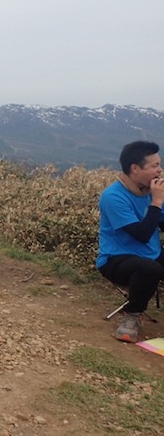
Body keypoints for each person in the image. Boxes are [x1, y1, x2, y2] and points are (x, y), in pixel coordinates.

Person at [97, 140, 164, 343]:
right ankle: (132, 316)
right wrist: (157, 202)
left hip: (151, 254)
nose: (160, 170)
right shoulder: (113, 196)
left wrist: (157, 201)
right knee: (149, 269)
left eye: (159, 164)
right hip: (116, 259)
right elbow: (141, 234)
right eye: (154, 166)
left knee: (151, 264)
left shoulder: (151, 192)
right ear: (135, 168)